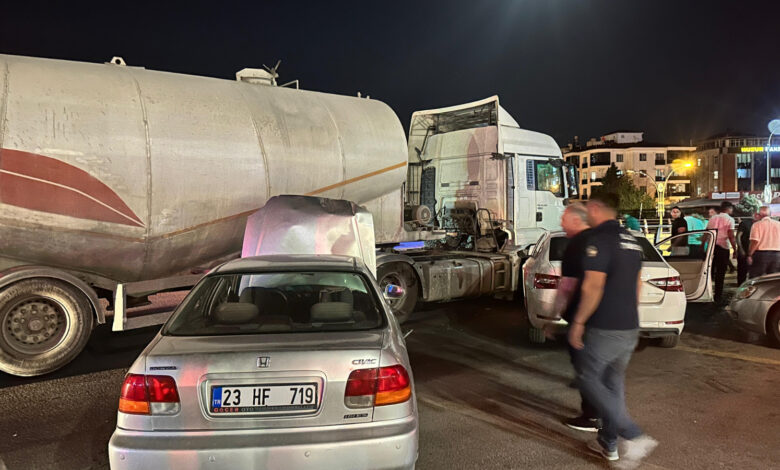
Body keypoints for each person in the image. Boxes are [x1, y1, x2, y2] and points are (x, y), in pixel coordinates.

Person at [568, 192, 657, 466]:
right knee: (612, 384)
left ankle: (633, 435)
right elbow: (638, 284)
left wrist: (579, 322)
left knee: (587, 379)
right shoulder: (632, 240)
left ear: (595, 208)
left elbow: (592, 286)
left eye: (587, 209)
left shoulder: (599, 240)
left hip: (604, 326)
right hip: (628, 326)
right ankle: (609, 445)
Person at [553, 203, 599, 432]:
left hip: (582, 316)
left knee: (585, 366)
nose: (561, 222)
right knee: (597, 367)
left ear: (576, 220)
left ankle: (591, 416)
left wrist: (557, 314)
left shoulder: (575, 245)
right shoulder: (598, 240)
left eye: (564, 218)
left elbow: (567, 286)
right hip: (603, 317)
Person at [706, 201, 737, 303]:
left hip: (712, 247)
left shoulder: (712, 218)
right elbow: (731, 235)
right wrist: (735, 249)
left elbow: (707, 232)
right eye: (731, 209)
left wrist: (703, 246)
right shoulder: (730, 219)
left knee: (710, 271)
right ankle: (718, 296)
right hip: (723, 248)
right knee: (720, 272)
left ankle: (707, 292)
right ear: (728, 209)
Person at [747, 206, 780, 278]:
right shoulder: (778, 224)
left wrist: (749, 254)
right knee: (773, 279)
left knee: (755, 279)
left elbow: (755, 241)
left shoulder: (756, 225)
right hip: (777, 255)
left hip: (760, 255)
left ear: (759, 215)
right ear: (770, 214)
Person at [736, 211, 758, 285]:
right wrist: (740, 249)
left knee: (753, 272)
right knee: (742, 272)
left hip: (754, 252)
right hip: (744, 251)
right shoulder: (745, 223)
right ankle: (740, 288)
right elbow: (738, 236)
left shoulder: (760, 225)